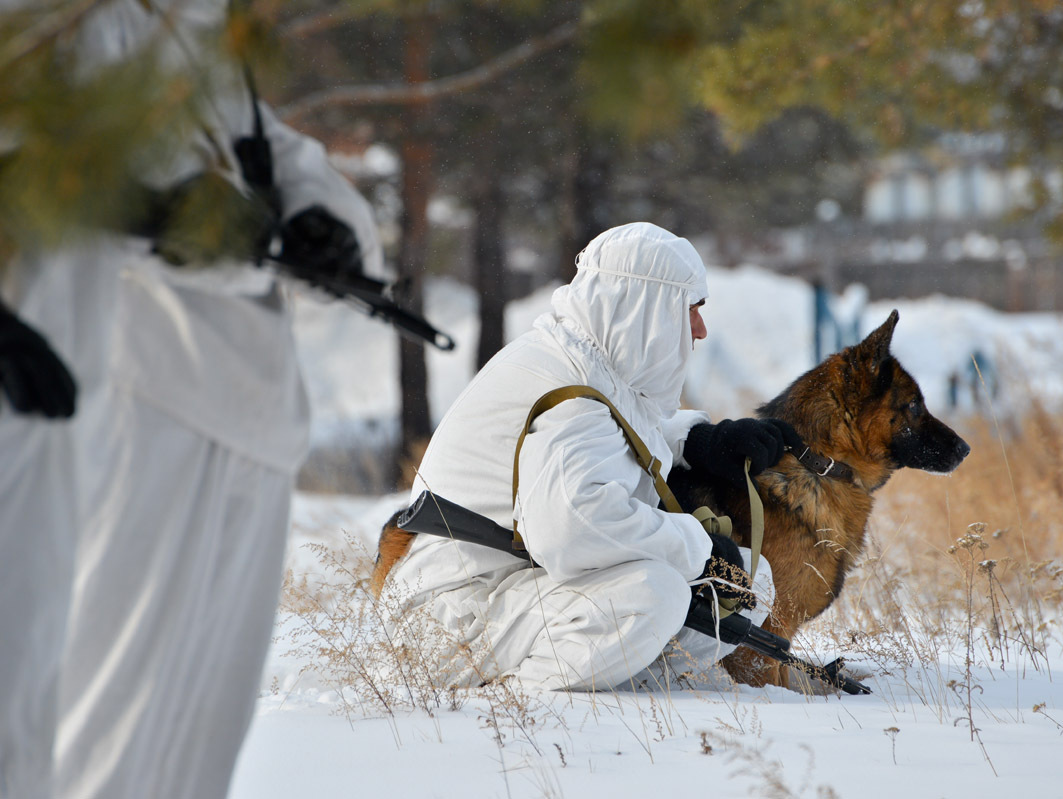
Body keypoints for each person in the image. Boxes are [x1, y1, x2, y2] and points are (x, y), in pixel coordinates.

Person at [0, 2, 382, 797]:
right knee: (103, 722)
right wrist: (171, 218)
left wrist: (325, 220)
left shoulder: (196, 25)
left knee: (199, 739)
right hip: (139, 389)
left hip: (252, 408)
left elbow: (266, 147)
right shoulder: (64, 23)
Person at [385, 222, 801, 691]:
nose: (700, 330)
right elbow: (572, 527)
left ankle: (621, 685)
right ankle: (515, 705)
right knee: (656, 592)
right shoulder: (569, 391)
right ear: (645, 309)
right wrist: (699, 551)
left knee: (747, 582)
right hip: (452, 611)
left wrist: (699, 440)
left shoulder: (581, 363)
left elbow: (617, 430)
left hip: (504, 591)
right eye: (690, 310)